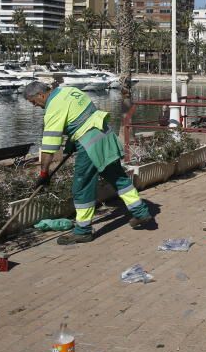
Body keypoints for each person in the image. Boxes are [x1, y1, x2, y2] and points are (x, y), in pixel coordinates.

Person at [23, 81, 152, 244]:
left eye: (33, 102)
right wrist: (72, 143)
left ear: (40, 95)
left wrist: (43, 173)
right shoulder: (69, 91)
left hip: (90, 144)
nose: (35, 106)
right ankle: (141, 212)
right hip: (104, 135)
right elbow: (81, 117)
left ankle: (82, 231)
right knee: (118, 178)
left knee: (82, 187)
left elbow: (49, 147)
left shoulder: (53, 108)